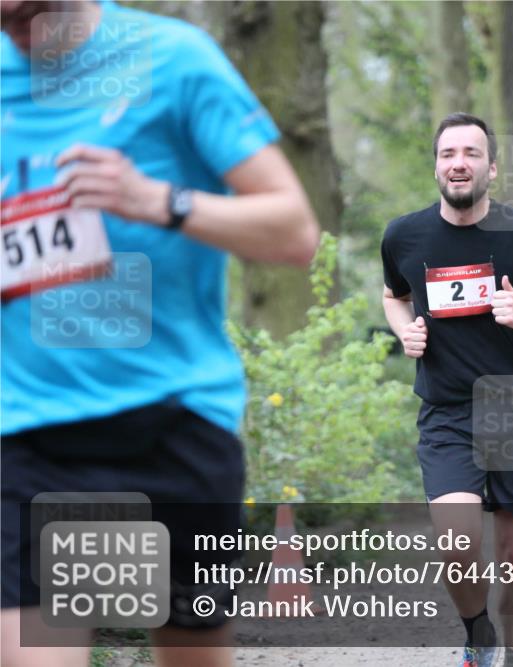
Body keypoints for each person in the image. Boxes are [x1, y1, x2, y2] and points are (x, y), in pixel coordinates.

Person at [1, 2, 319, 666]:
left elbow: (294, 232)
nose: (22, 38)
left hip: (172, 426)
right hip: (29, 440)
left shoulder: (173, 59)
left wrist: (158, 200)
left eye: (33, 17)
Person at [380, 113, 513, 667]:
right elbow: (394, 294)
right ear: (436, 166)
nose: (458, 163)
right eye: (447, 154)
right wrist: (405, 329)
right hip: (447, 413)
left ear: (492, 167)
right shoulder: (404, 235)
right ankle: (476, 633)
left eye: (470, 153)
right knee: (458, 545)